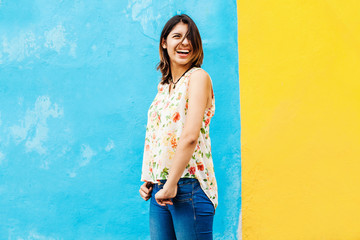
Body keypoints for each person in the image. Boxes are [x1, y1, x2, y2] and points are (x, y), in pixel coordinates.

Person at [139, 14, 218, 240]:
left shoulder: (198, 77)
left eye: (190, 38)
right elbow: (158, 136)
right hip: (161, 187)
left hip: (188, 186)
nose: (185, 43)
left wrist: (171, 183)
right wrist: (150, 179)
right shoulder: (164, 87)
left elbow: (190, 136)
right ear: (164, 42)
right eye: (177, 36)